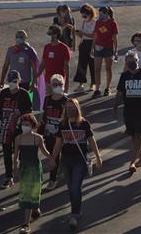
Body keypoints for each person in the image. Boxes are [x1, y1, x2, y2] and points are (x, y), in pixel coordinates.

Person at [50, 98, 103, 230]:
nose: (70, 110)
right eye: (67, 108)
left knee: (75, 187)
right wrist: (52, 159)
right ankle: (76, 209)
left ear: (77, 108)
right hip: (66, 160)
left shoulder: (84, 123)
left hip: (80, 160)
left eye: (72, 107)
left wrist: (98, 156)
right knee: (70, 188)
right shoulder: (63, 125)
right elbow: (58, 144)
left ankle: (75, 214)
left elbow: (91, 140)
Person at [0, 71, 33, 188]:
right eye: (11, 81)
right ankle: (8, 177)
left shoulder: (24, 94)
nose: (13, 84)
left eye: (15, 81)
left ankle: (24, 171)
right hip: (6, 127)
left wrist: (21, 115)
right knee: (6, 152)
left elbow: (29, 112)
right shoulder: (4, 93)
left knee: (22, 151)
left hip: (19, 128)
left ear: (19, 81)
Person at [13, 113, 51, 233]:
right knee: (27, 194)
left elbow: (45, 152)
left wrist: (54, 158)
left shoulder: (38, 138)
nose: (24, 126)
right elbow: (16, 156)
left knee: (32, 193)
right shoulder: (18, 138)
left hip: (35, 169)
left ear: (33, 125)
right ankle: (31, 216)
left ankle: (29, 218)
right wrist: (15, 169)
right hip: (24, 169)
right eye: (23, 124)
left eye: (27, 124)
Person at [39, 74, 67, 190]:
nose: (57, 86)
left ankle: (56, 177)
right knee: (53, 155)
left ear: (63, 85)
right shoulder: (48, 99)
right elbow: (44, 115)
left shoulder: (66, 100)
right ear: (51, 85)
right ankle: (53, 178)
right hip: (49, 133)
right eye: (55, 84)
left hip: (62, 133)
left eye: (59, 84)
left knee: (62, 154)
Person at [92, 6, 118, 98]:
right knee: (97, 69)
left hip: (108, 48)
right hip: (98, 48)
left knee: (108, 68)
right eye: (99, 14)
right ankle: (97, 89)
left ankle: (107, 88)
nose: (100, 16)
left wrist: (115, 50)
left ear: (107, 14)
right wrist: (92, 47)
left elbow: (114, 38)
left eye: (102, 14)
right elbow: (95, 35)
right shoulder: (98, 23)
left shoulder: (112, 23)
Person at [37, 25, 71, 94]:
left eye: (50, 34)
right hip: (47, 81)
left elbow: (66, 68)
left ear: (56, 35)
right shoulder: (47, 47)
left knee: (58, 101)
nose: (48, 35)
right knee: (49, 101)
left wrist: (66, 86)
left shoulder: (64, 48)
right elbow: (43, 64)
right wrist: (36, 77)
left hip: (58, 81)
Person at [72, 5, 96, 92]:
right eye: (82, 16)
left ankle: (93, 83)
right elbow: (83, 35)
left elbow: (94, 36)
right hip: (84, 44)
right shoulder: (84, 22)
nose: (84, 17)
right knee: (81, 65)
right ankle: (80, 84)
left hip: (92, 44)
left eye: (85, 16)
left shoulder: (95, 23)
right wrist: (78, 34)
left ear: (90, 14)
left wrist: (83, 33)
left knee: (92, 64)